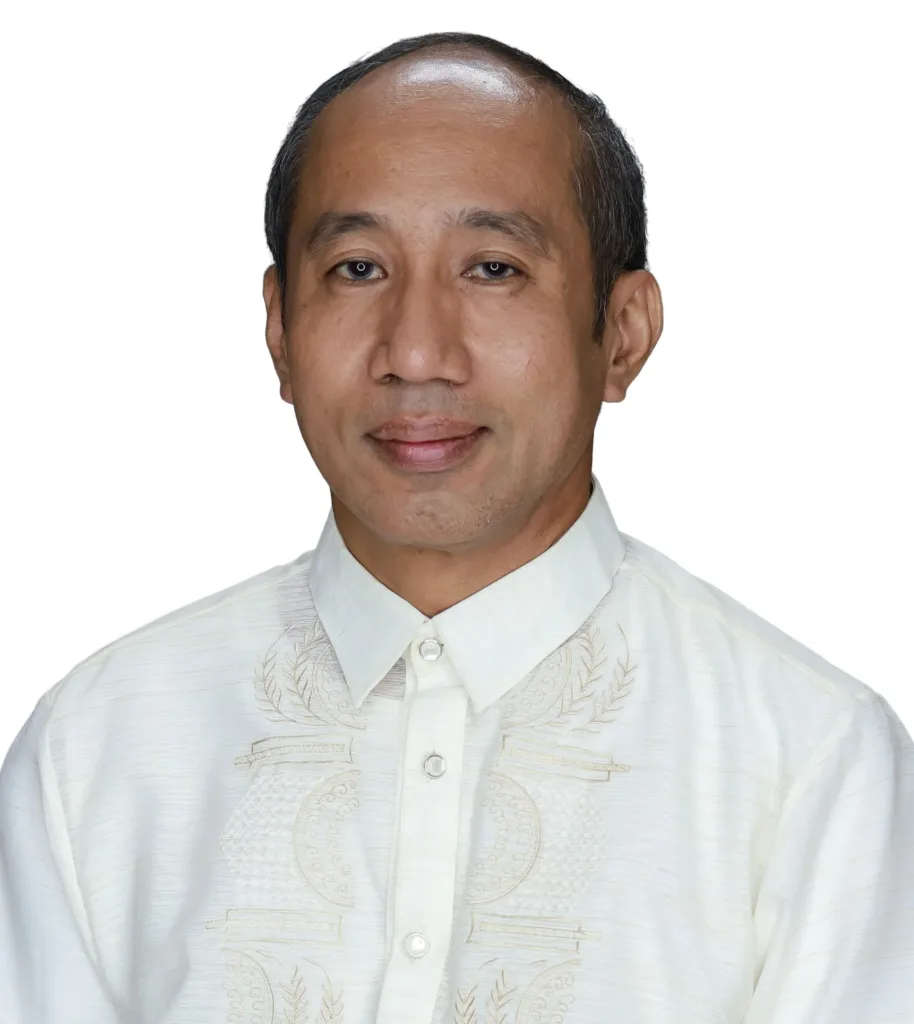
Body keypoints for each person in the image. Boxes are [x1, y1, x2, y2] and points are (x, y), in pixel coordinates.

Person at [1, 29, 912, 1024]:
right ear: (279, 329)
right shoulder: (98, 749)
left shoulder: (809, 761)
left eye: (492, 268)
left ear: (622, 333)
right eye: (357, 268)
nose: (416, 351)